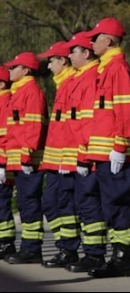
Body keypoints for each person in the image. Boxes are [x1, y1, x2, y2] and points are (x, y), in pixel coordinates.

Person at [81, 17, 130, 278]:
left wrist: (120, 144)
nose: (92, 41)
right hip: (103, 151)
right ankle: (117, 258)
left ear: (109, 40)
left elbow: (125, 109)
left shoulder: (117, 67)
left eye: (96, 37)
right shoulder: (106, 67)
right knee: (111, 206)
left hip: (114, 151)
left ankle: (122, 259)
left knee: (117, 204)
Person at [62, 31, 108, 273]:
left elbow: (89, 122)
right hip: (79, 152)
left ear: (86, 53)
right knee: (84, 203)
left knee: (89, 204)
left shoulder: (91, 78)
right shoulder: (82, 77)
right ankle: (92, 252)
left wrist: (83, 155)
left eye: (73, 51)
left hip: (87, 154)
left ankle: (95, 254)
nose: (68, 55)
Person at [37, 41, 81, 269]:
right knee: (52, 204)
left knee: (64, 205)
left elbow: (75, 127)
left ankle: (69, 248)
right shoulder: (63, 84)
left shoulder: (72, 83)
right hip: (55, 161)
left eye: (51, 60)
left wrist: (69, 158)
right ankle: (65, 246)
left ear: (62, 61)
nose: (48, 65)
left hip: (66, 160)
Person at [3, 52, 49, 264]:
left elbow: (34, 126)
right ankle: (28, 247)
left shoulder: (31, 92)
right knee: (24, 202)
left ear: (26, 70)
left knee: (30, 203)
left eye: (14, 67)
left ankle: (32, 249)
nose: (10, 70)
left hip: (27, 161)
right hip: (19, 160)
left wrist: (26, 155)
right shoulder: (20, 92)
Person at [0, 66, 16, 260]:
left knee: (2, 204)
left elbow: (5, 137)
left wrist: (2, 164)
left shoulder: (6, 103)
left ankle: (6, 242)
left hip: (2, 164)